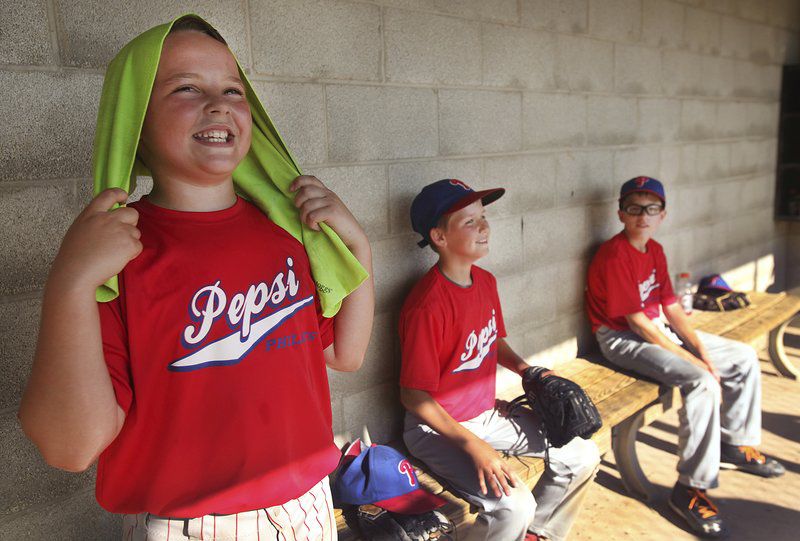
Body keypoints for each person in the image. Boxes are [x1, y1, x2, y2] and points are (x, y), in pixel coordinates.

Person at [18, 15, 374, 541]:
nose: (220, 103)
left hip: (308, 505)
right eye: (187, 87)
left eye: (233, 89)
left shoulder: (285, 236)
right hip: (195, 524)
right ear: (134, 123)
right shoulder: (117, 255)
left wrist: (358, 247)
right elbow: (71, 448)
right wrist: (70, 284)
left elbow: (345, 355)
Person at [398, 179, 600, 541]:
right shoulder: (427, 305)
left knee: (581, 454)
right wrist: (475, 445)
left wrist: (528, 370)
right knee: (514, 505)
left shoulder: (486, 282)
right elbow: (413, 397)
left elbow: (494, 341)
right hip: (436, 429)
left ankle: (537, 534)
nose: (484, 226)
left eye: (483, 216)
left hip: (487, 414)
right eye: (469, 221)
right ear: (439, 238)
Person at [586, 176, 784, 539]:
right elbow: (637, 322)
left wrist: (702, 348)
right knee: (702, 381)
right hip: (620, 337)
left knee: (741, 356)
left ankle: (736, 443)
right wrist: (692, 360)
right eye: (634, 208)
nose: (642, 215)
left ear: (663, 214)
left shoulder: (655, 250)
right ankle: (691, 488)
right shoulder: (614, 254)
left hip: (656, 327)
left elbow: (671, 307)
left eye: (651, 208)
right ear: (620, 214)